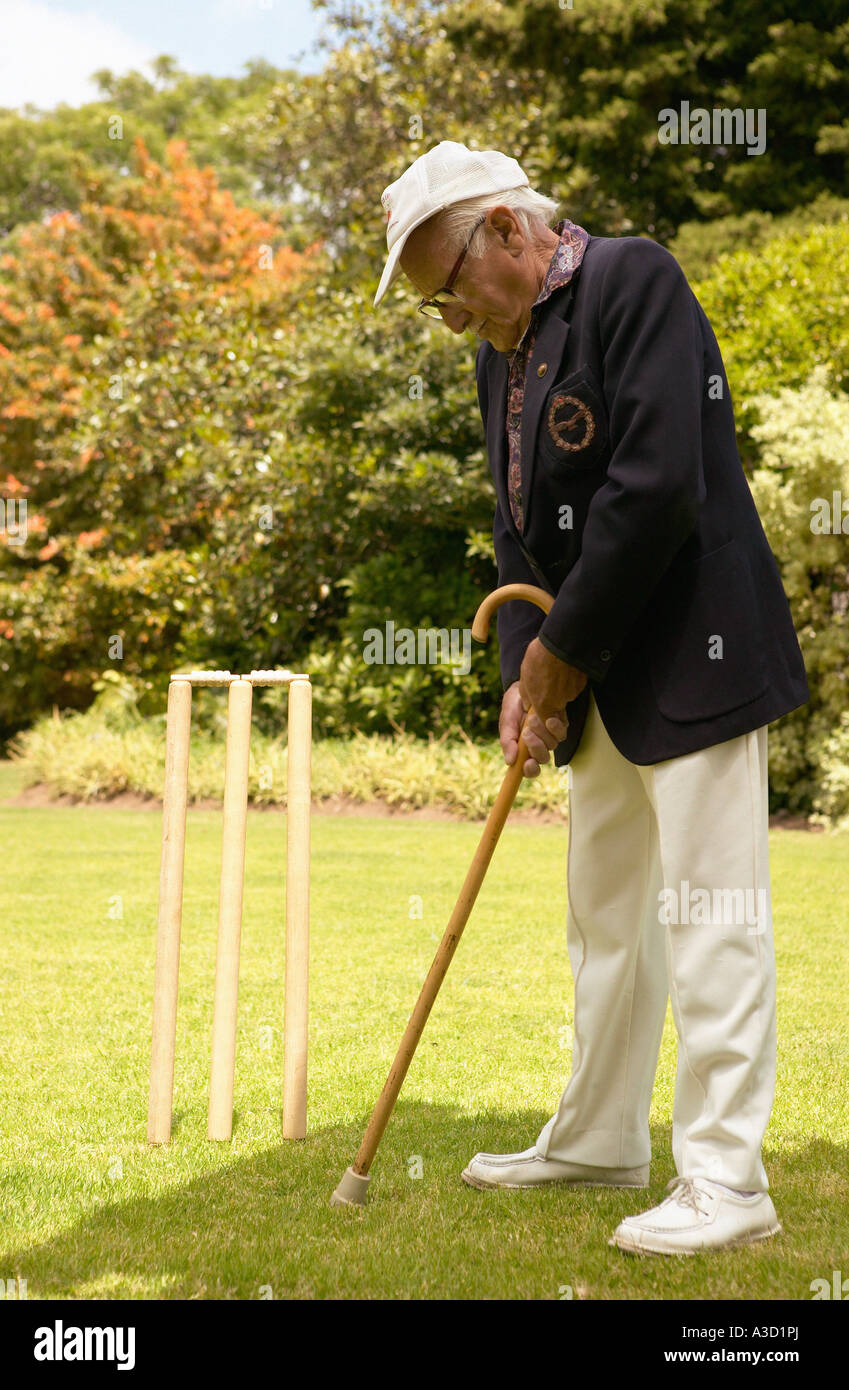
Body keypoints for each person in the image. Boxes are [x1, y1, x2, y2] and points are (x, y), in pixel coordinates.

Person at [373, 141, 809, 1255]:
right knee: (604, 914)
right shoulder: (501, 353)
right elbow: (519, 527)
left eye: (446, 288)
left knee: (709, 913)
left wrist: (561, 650)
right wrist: (533, 671)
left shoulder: (635, 280)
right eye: (431, 306)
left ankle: (726, 1177)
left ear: (508, 232)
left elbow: (655, 487)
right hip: (593, 667)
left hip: (694, 653)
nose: (450, 319)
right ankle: (599, 1134)